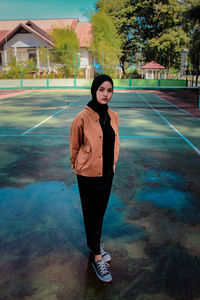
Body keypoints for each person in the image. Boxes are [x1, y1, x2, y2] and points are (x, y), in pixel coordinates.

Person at [69, 74, 120, 283]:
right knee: (91, 214)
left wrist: (113, 164)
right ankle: (96, 257)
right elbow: (74, 147)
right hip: (88, 174)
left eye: (109, 90)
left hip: (107, 172)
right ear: (94, 90)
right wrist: (78, 167)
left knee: (99, 212)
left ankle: (95, 244)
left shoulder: (114, 115)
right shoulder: (81, 117)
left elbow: (114, 142)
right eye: (101, 90)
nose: (105, 94)